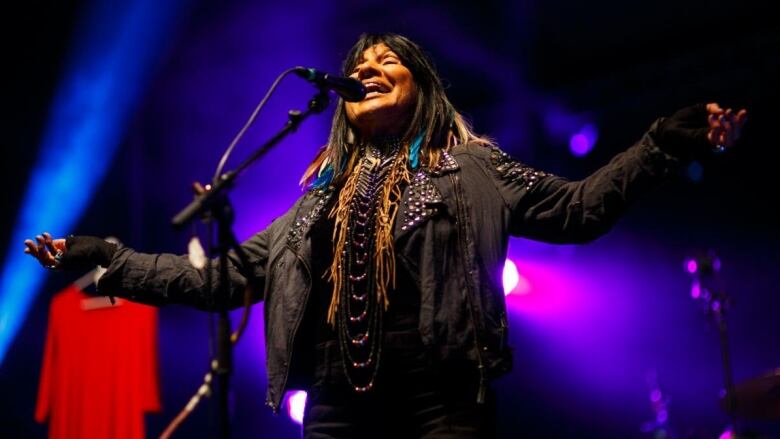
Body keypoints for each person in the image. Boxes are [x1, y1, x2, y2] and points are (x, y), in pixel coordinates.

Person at [25, 33, 747, 438]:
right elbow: (213, 280)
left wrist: (660, 144)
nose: (366, 69)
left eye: (386, 61)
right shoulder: (317, 203)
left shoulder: (472, 168)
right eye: (359, 66)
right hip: (338, 409)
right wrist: (105, 259)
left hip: (441, 403)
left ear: (422, 87)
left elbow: (580, 209)